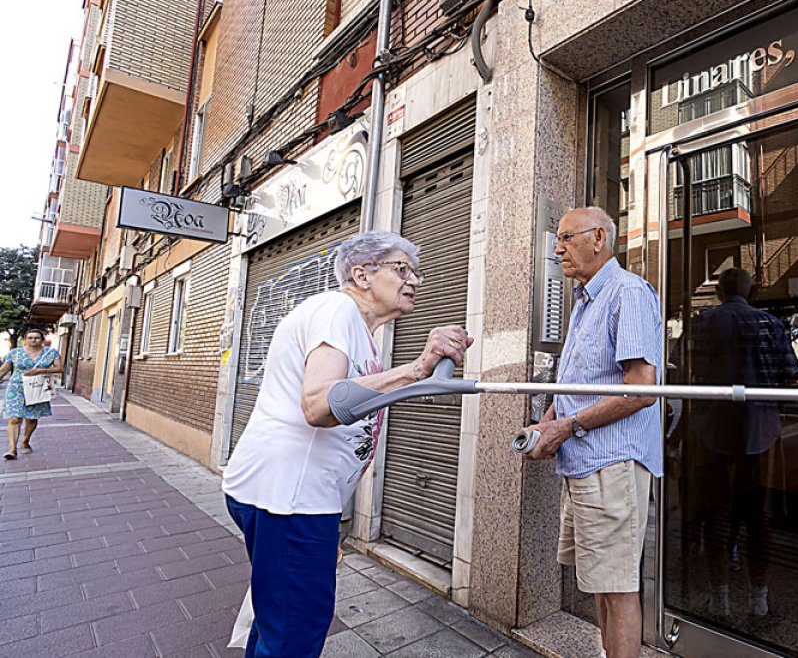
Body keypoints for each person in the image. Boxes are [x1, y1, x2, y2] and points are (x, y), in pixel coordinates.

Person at [221, 231, 471, 658]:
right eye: (401, 269)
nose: (415, 281)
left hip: (297, 500)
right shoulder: (336, 309)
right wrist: (416, 369)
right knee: (295, 633)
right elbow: (319, 404)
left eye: (416, 272)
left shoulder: (361, 332)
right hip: (290, 501)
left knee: (277, 619)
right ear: (361, 274)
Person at [522, 206, 662, 658]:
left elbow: (641, 390)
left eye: (565, 237)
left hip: (612, 466)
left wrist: (567, 426)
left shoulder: (627, 293)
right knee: (602, 586)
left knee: (618, 590)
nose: (557, 248)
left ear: (598, 237)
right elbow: (580, 384)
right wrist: (547, 425)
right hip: (587, 464)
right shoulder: (586, 299)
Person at [687, 267, 798, 618]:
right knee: (758, 520)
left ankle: (719, 597)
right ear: (751, 291)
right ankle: (759, 599)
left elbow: (683, 373)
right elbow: (791, 375)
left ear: (720, 292)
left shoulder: (703, 322)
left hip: (712, 434)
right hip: (760, 433)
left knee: (716, 519)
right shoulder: (770, 324)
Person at [0, 329, 64, 460]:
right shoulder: (15, 353)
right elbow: (3, 370)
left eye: (37, 338)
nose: (33, 340)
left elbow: (60, 368)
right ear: (25, 339)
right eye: (30, 338)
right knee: (14, 418)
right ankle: (12, 449)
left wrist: (42, 370)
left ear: (42, 340)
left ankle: (25, 441)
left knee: (32, 418)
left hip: (37, 388)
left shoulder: (50, 353)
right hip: (16, 388)